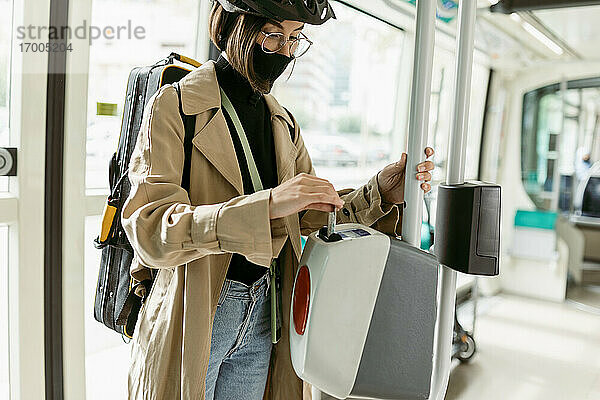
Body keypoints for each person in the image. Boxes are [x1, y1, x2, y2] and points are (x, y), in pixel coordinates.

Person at [121, 1, 435, 399]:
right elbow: (150, 227)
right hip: (198, 310)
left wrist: (380, 192)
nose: (285, 52)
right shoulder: (175, 106)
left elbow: (309, 213)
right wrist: (266, 206)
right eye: (273, 35)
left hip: (265, 313)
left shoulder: (283, 123)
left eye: (294, 38)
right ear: (234, 26)